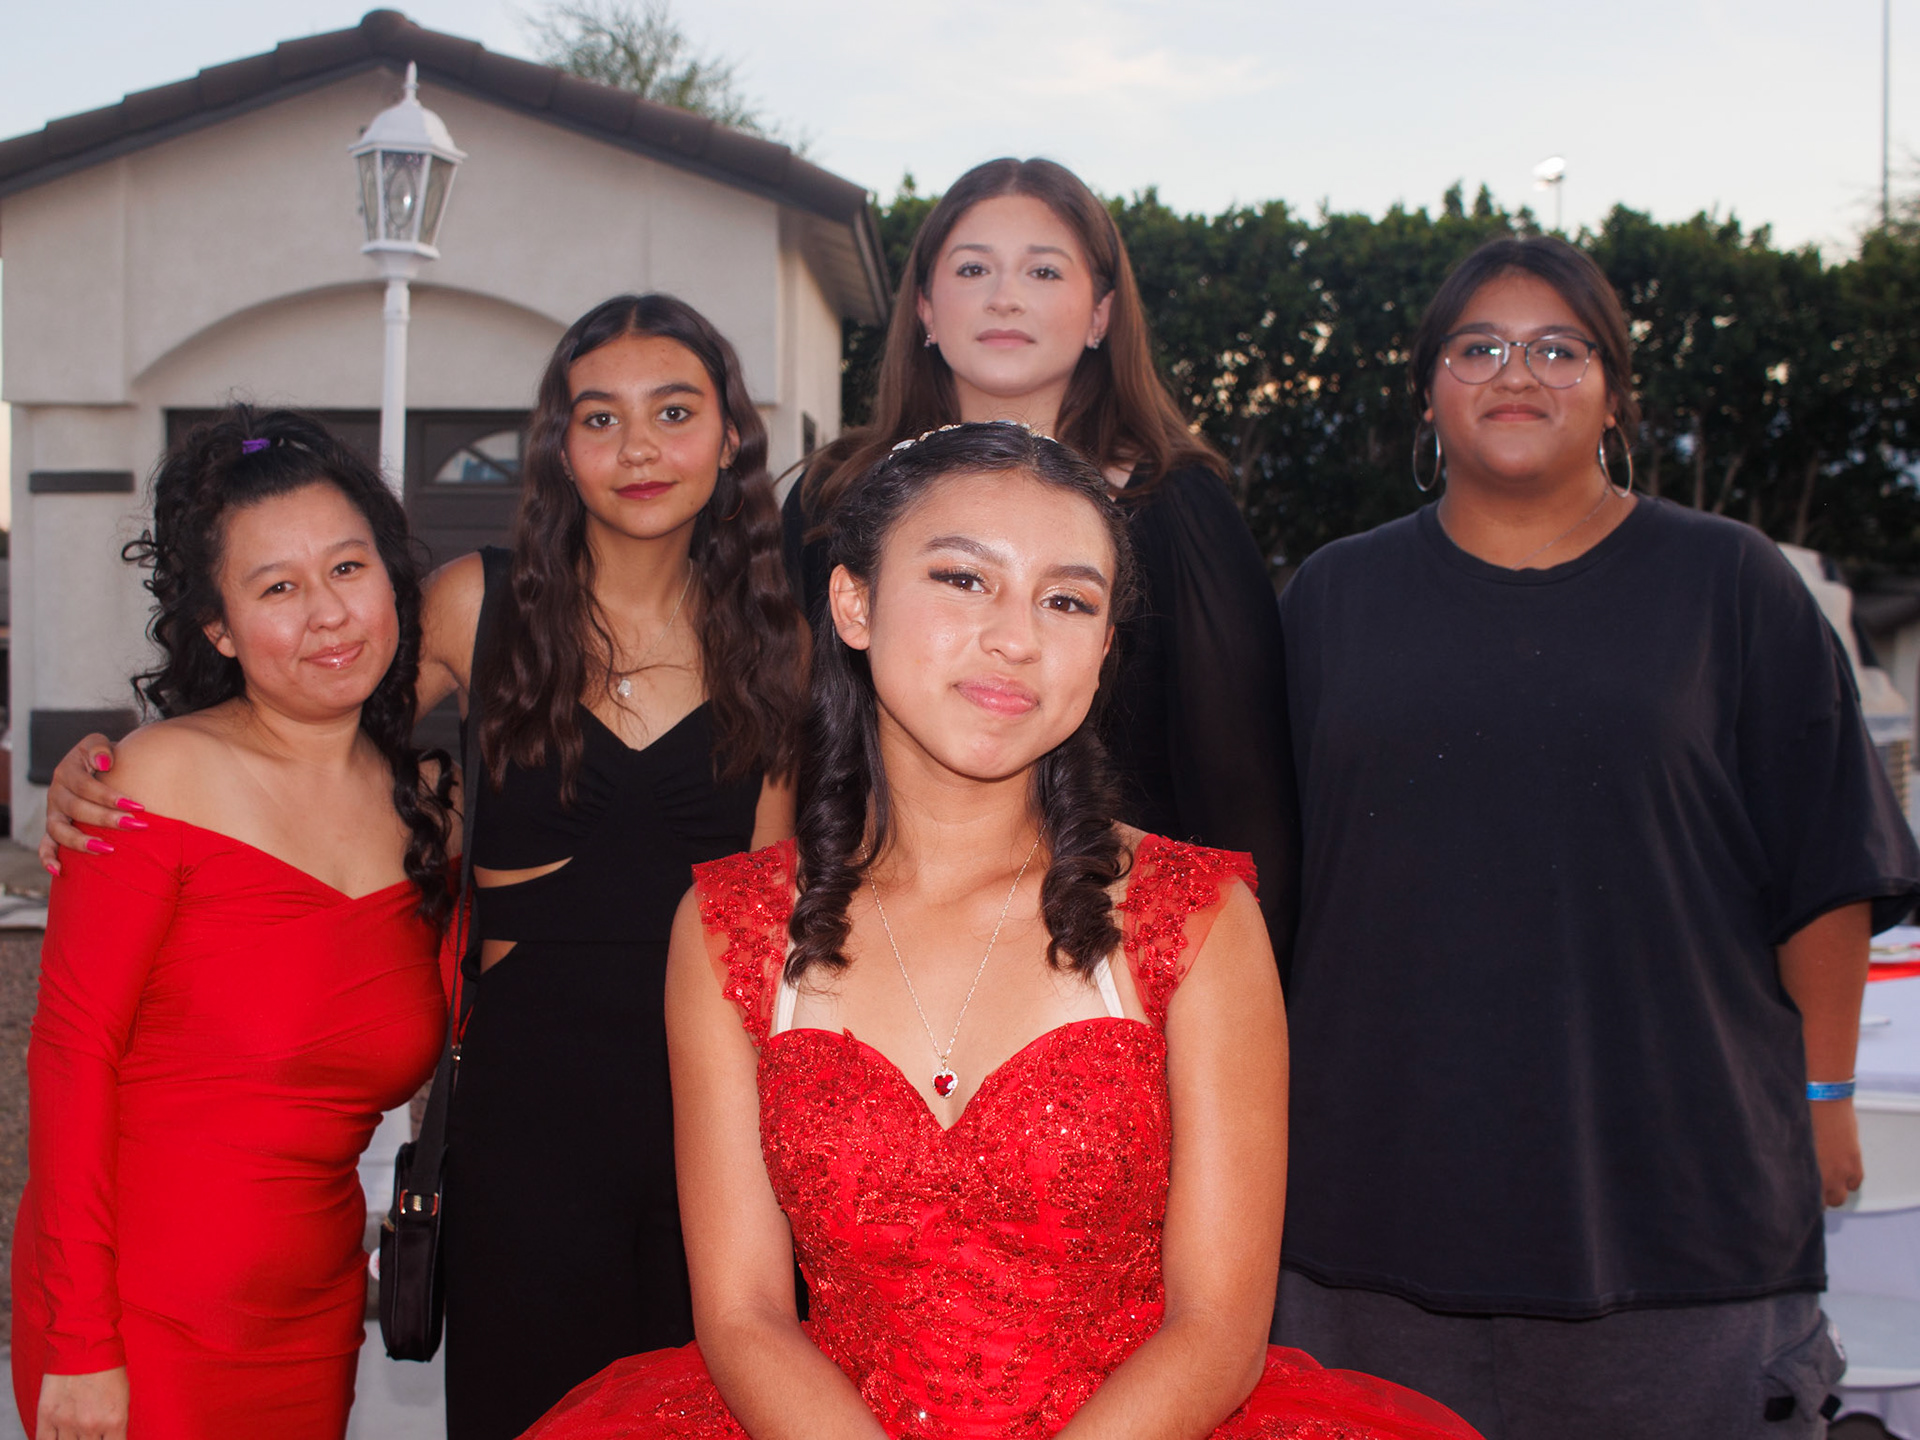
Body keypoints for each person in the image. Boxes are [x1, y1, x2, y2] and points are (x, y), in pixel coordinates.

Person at [521, 422, 1478, 1440]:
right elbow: (743, 1313)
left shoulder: (1193, 918)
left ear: (1104, 650)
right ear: (853, 603)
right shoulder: (731, 928)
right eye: (963, 579)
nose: (1016, 638)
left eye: (1067, 601)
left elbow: (1217, 1327)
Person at [36, 294, 809, 1440]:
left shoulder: (782, 638)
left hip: (714, 1119)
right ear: (558, 444)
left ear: (732, 433)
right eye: (600, 417)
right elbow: (317, 728)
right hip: (522, 1122)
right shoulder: (475, 605)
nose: (639, 447)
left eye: (675, 412)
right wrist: (111, 769)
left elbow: (773, 914)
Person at [1271, 236, 1920, 1438]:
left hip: (1681, 1212)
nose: (1518, 373)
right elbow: (1264, 892)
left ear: (1614, 393)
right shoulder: (1331, 599)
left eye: (1559, 349)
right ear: (1427, 392)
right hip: (1369, 1216)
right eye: (1479, 347)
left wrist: (1826, 1094)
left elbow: (1826, 870)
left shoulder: (1730, 584)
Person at [12, 408, 454, 1440]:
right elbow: (71, 1059)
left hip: (315, 1320)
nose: (329, 614)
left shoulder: (431, 810)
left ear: (393, 582)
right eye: (277, 588)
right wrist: (80, 1341)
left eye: (348, 568)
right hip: (137, 1321)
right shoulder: (154, 779)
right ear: (218, 628)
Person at [783, 157, 1295, 960]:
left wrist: (1223, 975)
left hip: (1113, 944)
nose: (1005, 296)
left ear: (1101, 314)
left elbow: (1243, 785)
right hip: (868, 940)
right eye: (973, 268)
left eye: (1044, 270)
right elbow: (797, 745)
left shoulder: (1176, 506)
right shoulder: (831, 500)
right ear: (925, 307)